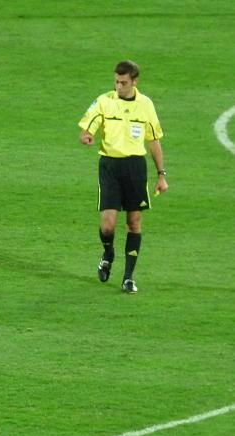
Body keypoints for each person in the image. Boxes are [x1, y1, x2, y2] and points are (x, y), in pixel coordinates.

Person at [78, 60, 168, 294]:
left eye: (124, 83)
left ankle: (128, 277)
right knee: (108, 225)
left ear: (134, 81)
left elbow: (154, 140)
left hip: (135, 168)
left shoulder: (146, 105)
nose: (119, 86)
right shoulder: (105, 101)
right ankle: (108, 254)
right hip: (110, 166)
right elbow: (89, 127)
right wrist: (87, 136)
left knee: (134, 222)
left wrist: (161, 174)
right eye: (116, 82)